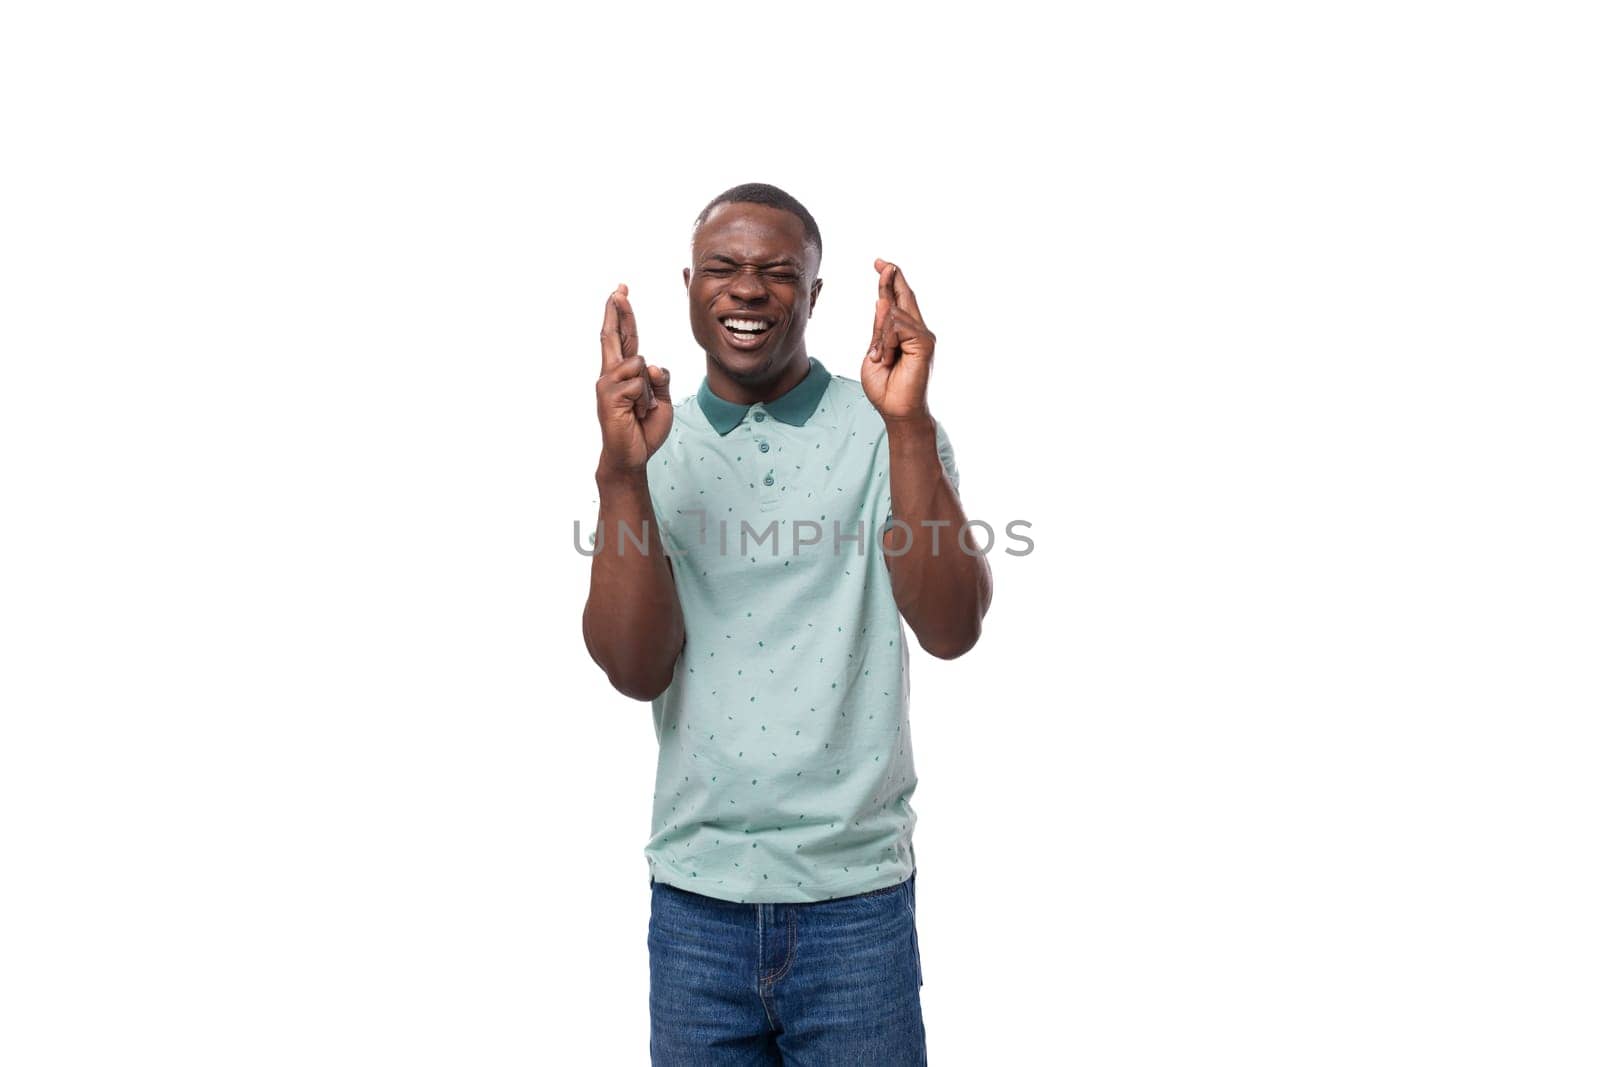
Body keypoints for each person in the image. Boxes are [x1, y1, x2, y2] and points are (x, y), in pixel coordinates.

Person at [582, 182, 993, 1065]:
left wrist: (910, 421)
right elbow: (633, 668)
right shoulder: (654, 442)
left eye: (778, 272)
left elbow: (954, 626)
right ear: (690, 285)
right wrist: (621, 477)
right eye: (725, 268)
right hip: (696, 905)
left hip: (857, 906)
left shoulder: (888, 430)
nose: (748, 289)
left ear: (814, 296)